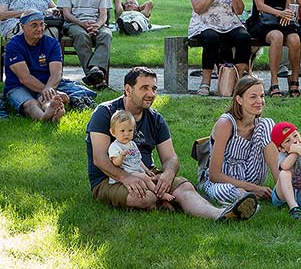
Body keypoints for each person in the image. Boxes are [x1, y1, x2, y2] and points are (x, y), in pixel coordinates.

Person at [86, 66, 259, 220]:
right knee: (146, 198)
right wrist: (125, 177)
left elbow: (170, 157)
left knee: (185, 187)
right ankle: (161, 201)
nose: (151, 94)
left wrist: (168, 174)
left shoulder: (155, 118)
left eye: (154, 88)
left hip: (147, 174)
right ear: (128, 89)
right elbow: (100, 158)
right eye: (144, 88)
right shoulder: (105, 113)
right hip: (109, 179)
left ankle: (220, 214)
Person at [199, 75, 280, 204]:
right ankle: (245, 198)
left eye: (262, 96)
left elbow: (283, 148)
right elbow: (214, 175)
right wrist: (253, 188)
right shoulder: (226, 124)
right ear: (239, 100)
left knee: (267, 123)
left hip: (250, 174)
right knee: (223, 190)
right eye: (253, 97)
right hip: (223, 181)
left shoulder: (259, 125)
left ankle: (281, 190)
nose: (260, 101)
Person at [4, 10, 96, 122]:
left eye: (42, 24)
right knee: (30, 104)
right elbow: (24, 78)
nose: (39, 28)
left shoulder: (52, 43)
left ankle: (53, 111)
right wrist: (49, 90)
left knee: (49, 100)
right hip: (19, 86)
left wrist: (49, 88)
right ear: (23, 27)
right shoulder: (13, 45)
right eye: (34, 25)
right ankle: (44, 117)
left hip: (48, 83)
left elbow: (56, 73)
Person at [188, 0, 252, 96]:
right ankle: (205, 82)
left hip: (229, 23)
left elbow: (239, 10)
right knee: (211, 38)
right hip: (205, 23)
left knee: (244, 37)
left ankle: (238, 82)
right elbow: (198, 8)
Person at [248, 0, 301, 97]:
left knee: (295, 39)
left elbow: (288, 3)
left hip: (282, 20)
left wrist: (287, 14)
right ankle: (274, 82)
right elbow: (260, 5)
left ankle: (294, 80)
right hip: (262, 21)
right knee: (277, 36)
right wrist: (280, 13)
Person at [57, 0, 112, 88]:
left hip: (96, 24)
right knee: (81, 35)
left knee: (106, 34)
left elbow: (103, 14)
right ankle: (97, 78)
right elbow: (66, 14)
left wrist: (97, 25)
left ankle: (94, 72)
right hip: (74, 24)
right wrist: (82, 24)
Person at [107, 109, 176, 204]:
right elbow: (115, 163)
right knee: (145, 179)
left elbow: (138, 160)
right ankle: (160, 195)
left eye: (130, 130)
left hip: (136, 170)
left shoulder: (132, 144)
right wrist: (121, 157)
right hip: (126, 172)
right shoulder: (115, 146)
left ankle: (161, 201)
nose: (126, 134)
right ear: (113, 132)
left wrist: (147, 170)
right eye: (122, 131)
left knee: (148, 178)